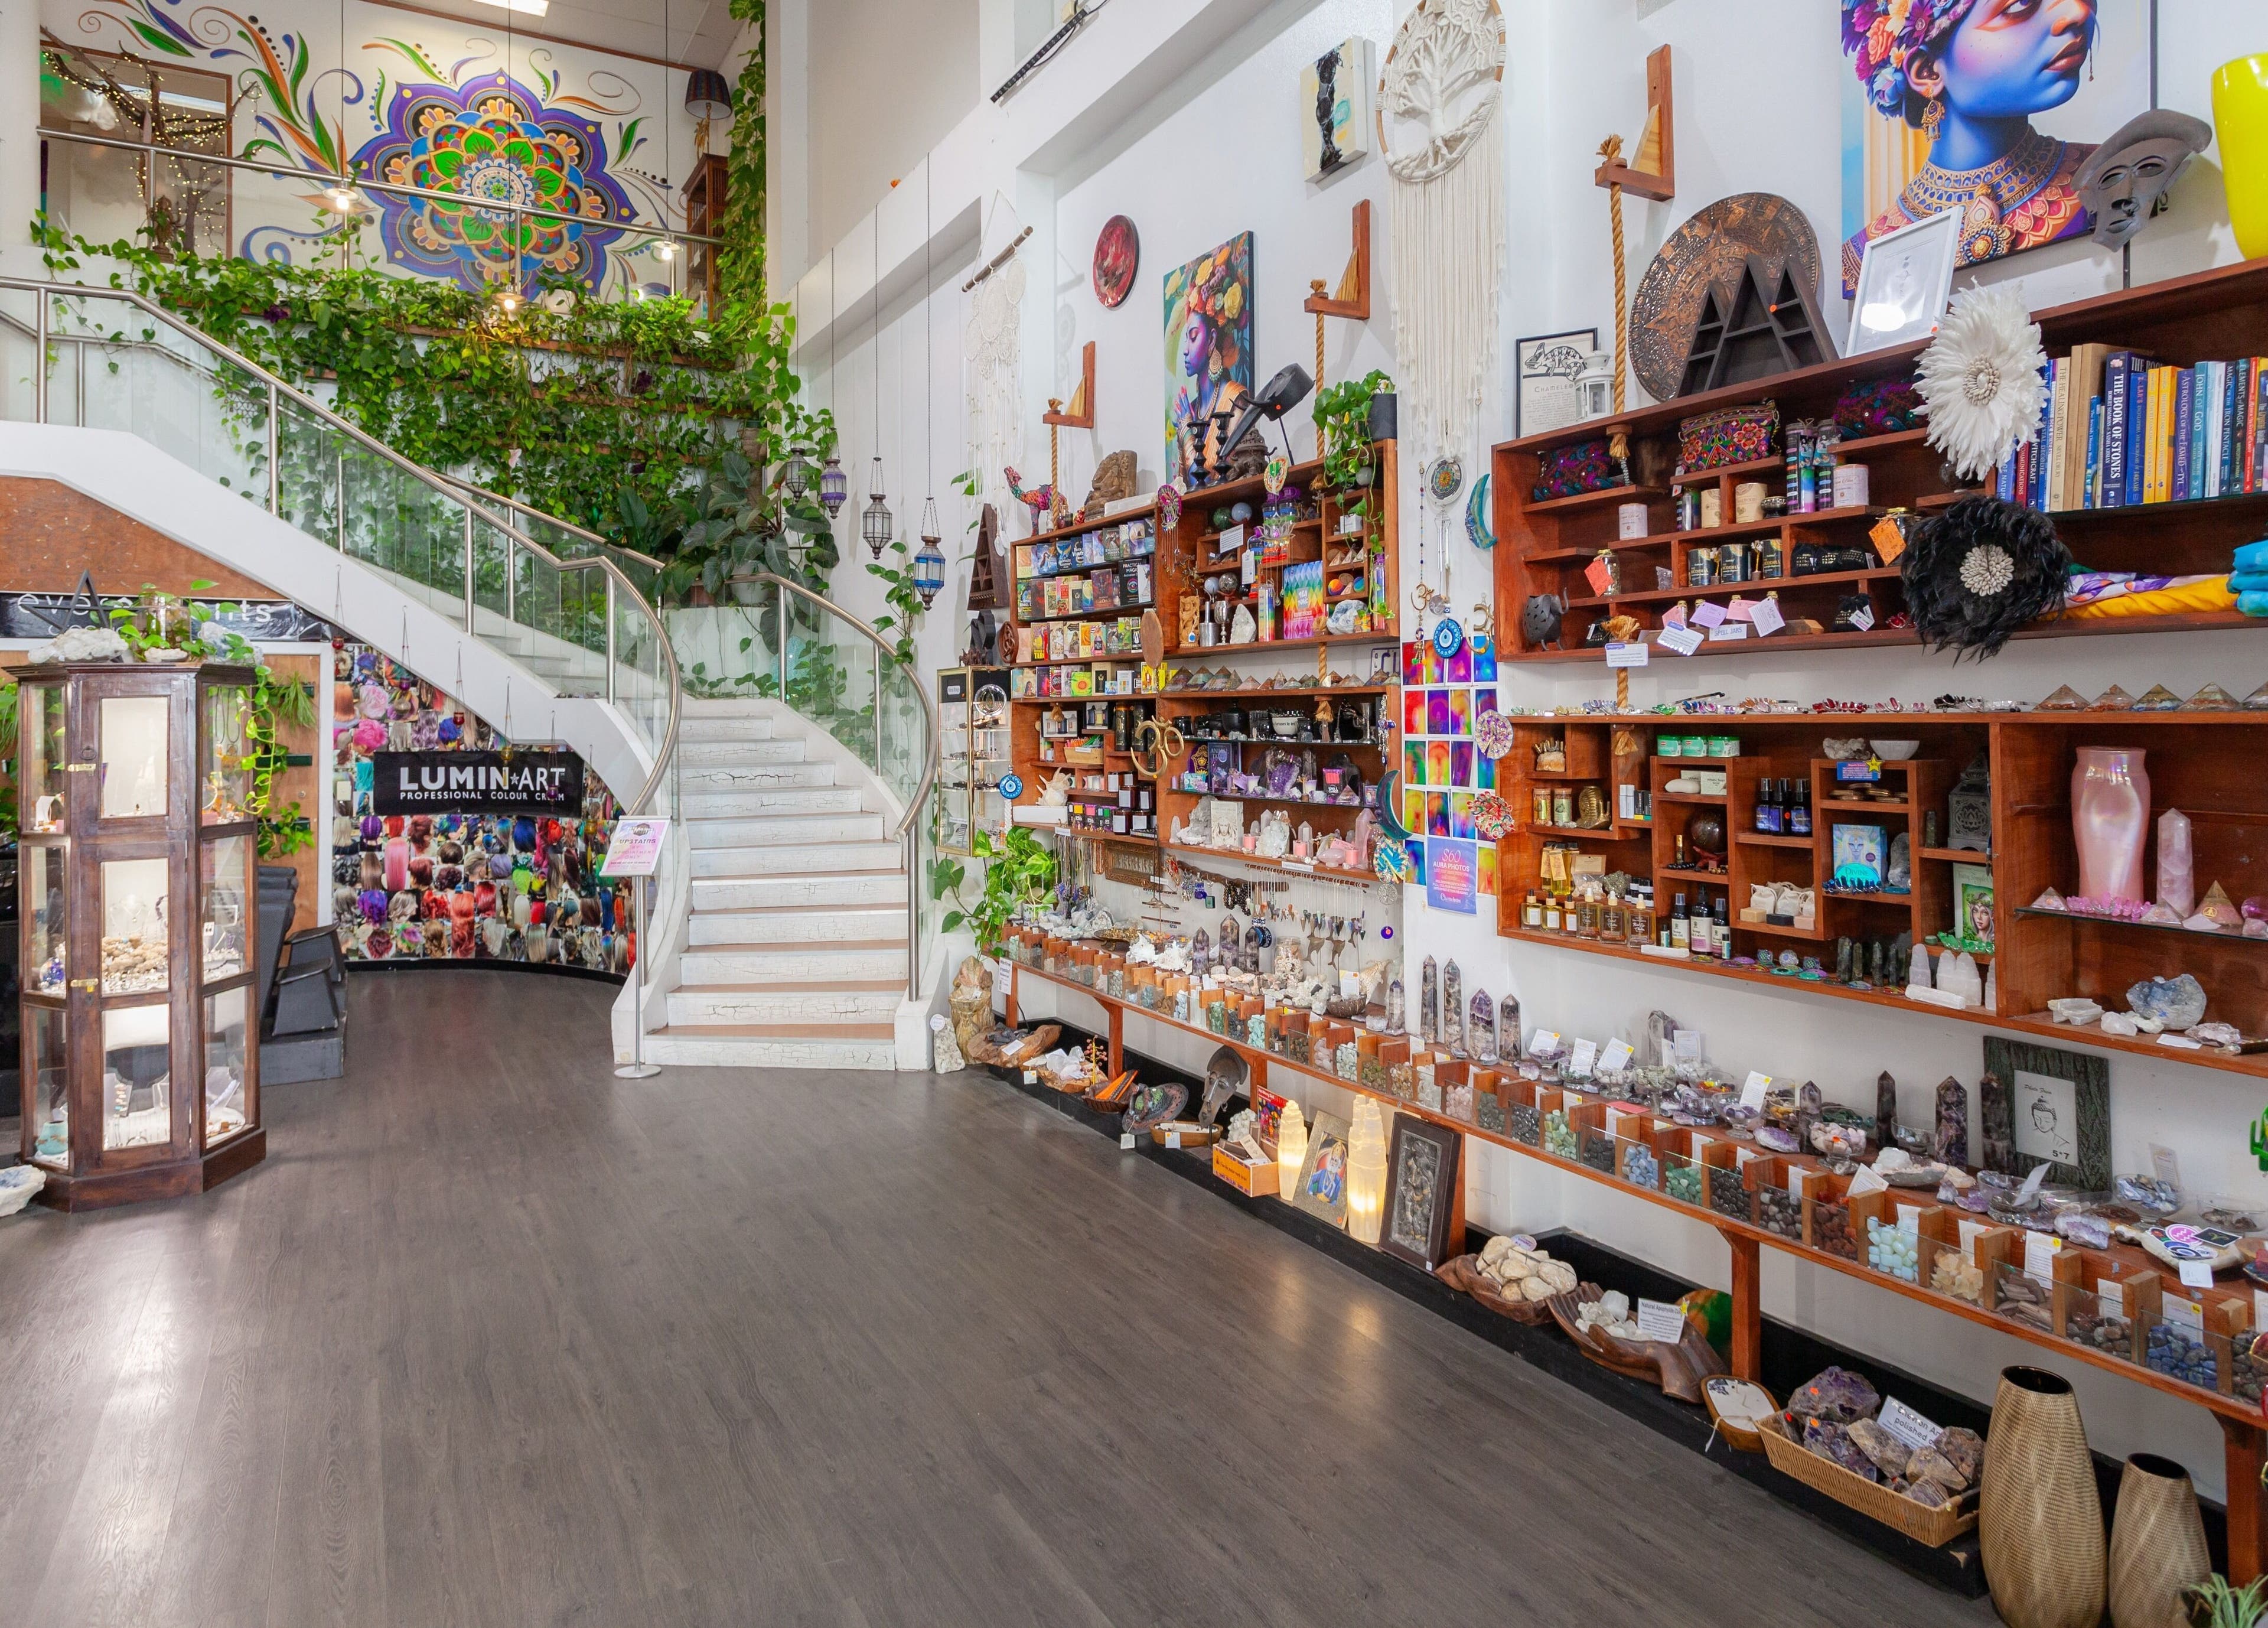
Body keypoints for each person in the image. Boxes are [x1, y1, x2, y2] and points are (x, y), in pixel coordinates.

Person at [1842, 0, 2100, 291]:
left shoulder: (2117, 178)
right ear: (1928, 72)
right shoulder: (1861, 265)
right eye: (2021, 4)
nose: (2078, 12)